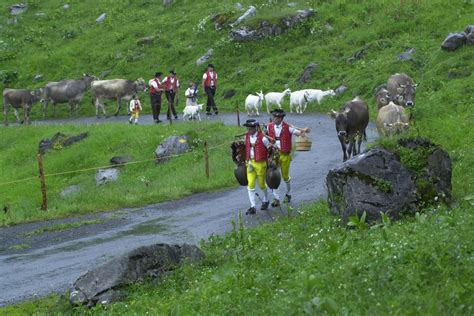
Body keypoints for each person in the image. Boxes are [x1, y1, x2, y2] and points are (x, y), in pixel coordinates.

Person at [266, 109, 310, 206]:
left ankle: (288, 193)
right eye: (273, 117)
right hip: (273, 155)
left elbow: (299, 133)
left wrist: (304, 132)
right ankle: (276, 198)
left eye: (276, 117)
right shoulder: (268, 127)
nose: (274, 119)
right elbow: (263, 136)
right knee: (272, 176)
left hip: (285, 155)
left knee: (285, 177)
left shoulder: (288, 127)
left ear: (281, 118)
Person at [243, 119, 273, 215]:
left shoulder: (263, 138)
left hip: (260, 163)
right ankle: (253, 206)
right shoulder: (246, 137)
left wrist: (270, 158)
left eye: (251, 128)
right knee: (250, 185)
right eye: (248, 128)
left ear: (255, 128)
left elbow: (270, 148)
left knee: (261, 184)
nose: (249, 130)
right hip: (250, 163)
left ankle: (266, 200)